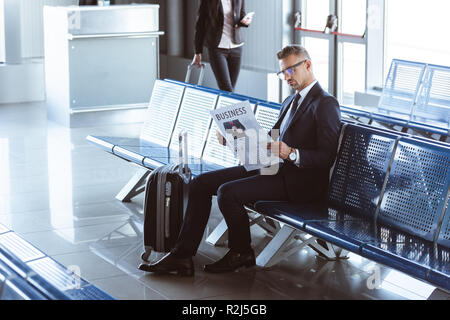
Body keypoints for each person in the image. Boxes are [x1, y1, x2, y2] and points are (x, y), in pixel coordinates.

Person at [139, 44, 341, 276]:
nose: (286, 77)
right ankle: (182, 255)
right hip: (272, 169)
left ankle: (241, 251)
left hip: (299, 184)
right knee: (200, 183)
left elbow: (327, 156)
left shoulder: (325, 104)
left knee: (228, 192)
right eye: (282, 72)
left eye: (291, 70)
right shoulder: (289, 102)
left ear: (307, 65)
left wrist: (292, 153)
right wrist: (233, 137)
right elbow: (269, 142)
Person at [191, 0, 253, 92]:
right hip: (217, 49)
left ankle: (230, 106)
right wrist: (197, 51)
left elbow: (241, 15)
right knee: (226, 89)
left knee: (230, 90)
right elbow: (200, 25)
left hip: (236, 47)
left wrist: (246, 21)